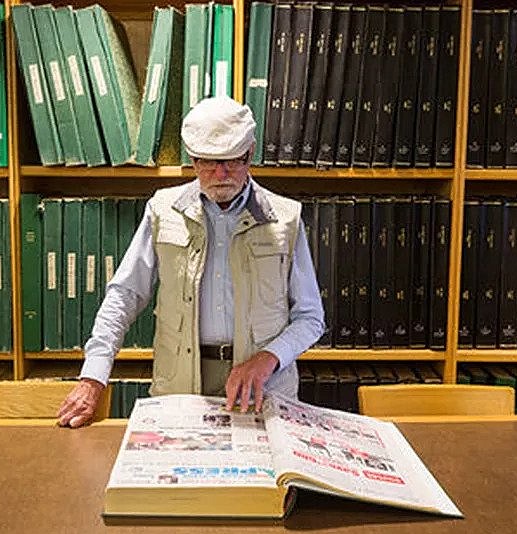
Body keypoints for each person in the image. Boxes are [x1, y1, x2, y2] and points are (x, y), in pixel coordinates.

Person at [57, 96, 324, 428]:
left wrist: (267, 359)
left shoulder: (285, 219)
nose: (221, 174)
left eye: (232, 161)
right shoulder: (162, 210)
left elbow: (311, 318)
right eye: (207, 163)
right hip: (180, 381)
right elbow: (124, 295)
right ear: (192, 159)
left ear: (250, 153)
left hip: (264, 385)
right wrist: (93, 376)